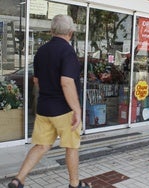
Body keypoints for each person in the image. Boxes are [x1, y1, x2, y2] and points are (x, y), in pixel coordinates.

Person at [8, 15, 89, 188]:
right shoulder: (68, 52)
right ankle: (75, 184)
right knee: (71, 147)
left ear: (51, 31)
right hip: (64, 110)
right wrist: (77, 109)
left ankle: (18, 179)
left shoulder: (41, 51)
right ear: (71, 32)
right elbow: (67, 82)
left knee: (41, 146)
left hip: (44, 109)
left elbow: (36, 81)